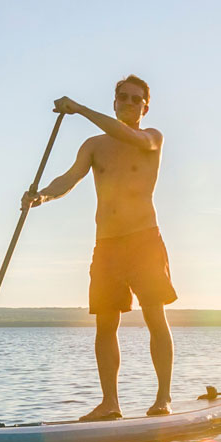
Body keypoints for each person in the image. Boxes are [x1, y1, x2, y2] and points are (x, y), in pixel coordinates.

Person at [23, 75, 176, 419]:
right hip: (106, 245)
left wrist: (79, 109)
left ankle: (163, 398)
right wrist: (42, 195)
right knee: (105, 326)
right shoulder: (94, 145)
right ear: (114, 101)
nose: (128, 102)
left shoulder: (151, 138)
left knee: (155, 316)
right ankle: (110, 404)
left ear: (145, 107)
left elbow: (127, 133)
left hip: (144, 240)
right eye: (122, 97)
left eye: (136, 99)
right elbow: (69, 178)